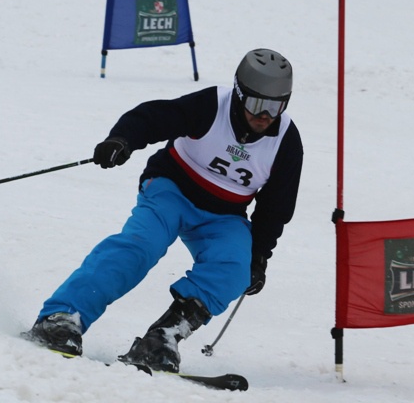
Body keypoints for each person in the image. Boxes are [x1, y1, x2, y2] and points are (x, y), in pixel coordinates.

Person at [22, 48, 303, 373]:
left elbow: (276, 207)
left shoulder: (286, 142)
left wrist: (259, 257)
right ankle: (62, 317)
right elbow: (153, 117)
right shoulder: (212, 106)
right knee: (141, 247)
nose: (264, 116)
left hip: (225, 216)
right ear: (240, 93)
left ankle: (161, 339)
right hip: (172, 190)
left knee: (233, 270)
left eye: (275, 107)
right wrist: (122, 139)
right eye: (257, 104)